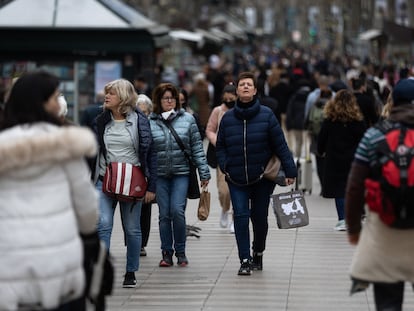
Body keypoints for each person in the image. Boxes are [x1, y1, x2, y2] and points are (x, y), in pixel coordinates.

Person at [0, 71, 99, 310]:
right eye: (55, 97)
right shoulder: (65, 145)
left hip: (9, 264)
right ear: (41, 103)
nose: (59, 103)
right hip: (58, 265)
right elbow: (87, 209)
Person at [216, 71, 297, 276]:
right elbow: (221, 146)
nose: (245, 87)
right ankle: (244, 259)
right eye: (241, 84)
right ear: (236, 91)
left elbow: (280, 144)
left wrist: (290, 169)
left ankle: (258, 251)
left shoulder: (266, 115)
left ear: (254, 90)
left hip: (262, 177)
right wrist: (225, 165)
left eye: (248, 84)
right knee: (241, 216)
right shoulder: (227, 118)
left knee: (259, 218)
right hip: (236, 178)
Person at [345, 78, 414, 311]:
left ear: (392, 102)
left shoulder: (374, 135)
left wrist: (354, 229)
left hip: (385, 226)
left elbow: (354, 186)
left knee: (388, 303)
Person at [93, 79, 157, 288]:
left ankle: (131, 272)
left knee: (132, 229)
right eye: (106, 93)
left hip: (132, 182)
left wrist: (152, 186)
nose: (106, 97)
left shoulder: (140, 121)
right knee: (103, 225)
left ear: (123, 96)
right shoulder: (102, 120)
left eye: (111, 93)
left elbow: (150, 153)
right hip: (105, 180)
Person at [149, 82, 210, 267]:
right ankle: (166, 252)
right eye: (166, 98)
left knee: (177, 210)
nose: (170, 101)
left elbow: (197, 148)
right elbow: (146, 151)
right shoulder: (150, 122)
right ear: (158, 101)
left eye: (172, 98)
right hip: (159, 174)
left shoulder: (188, 120)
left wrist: (204, 172)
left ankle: (181, 251)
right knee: (164, 214)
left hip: (181, 173)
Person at [317, 89, 367, 231]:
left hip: (334, 160)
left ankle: (342, 219)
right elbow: (364, 140)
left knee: (339, 190)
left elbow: (321, 139)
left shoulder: (330, 120)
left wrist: (321, 152)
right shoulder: (358, 121)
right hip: (354, 160)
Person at [205, 83, 237, 233]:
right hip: (223, 156)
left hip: (239, 155)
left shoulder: (241, 111)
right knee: (224, 190)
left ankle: (234, 218)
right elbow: (210, 129)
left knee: (238, 190)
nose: (229, 99)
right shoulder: (218, 111)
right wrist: (217, 141)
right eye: (227, 97)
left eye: (232, 97)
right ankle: (225, 209)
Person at [136, 93, 153, 257]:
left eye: (144, 111)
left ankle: (142, 243)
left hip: (148, 173)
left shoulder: (153, 124)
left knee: (145, 209)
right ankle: (133, 241)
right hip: (133, 171)